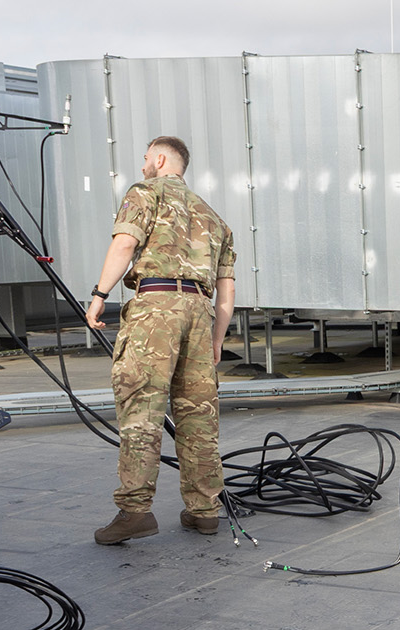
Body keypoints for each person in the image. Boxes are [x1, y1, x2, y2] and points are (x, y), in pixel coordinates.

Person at [83, 136, 236, 545]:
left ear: (161, 158)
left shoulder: (143, 193)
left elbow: (125, 243)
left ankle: (135, 511)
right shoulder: (214, 217)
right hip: (200, 314)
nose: (143, 163)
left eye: (147, 156)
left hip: (156, 308)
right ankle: (204, 510)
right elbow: (227, 291)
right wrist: (217, 339)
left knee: (142, 407)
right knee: (198, 415)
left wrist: (99, 296)